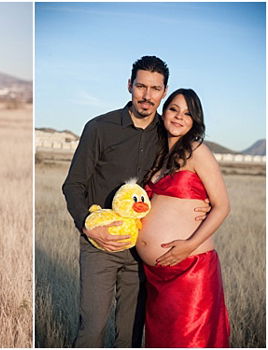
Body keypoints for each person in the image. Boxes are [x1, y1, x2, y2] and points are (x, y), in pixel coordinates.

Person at [62, 56, 210, 347]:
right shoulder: (99, 128)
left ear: (164, 91)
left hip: (140, 254)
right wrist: (87, 227)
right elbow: (73, 185)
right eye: (141, 86)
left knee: (131, 334)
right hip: (99, 246)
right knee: (91, 328)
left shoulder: (167, 135)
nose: (147, 95)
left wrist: (199, 204)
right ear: (129, 86)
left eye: (155, 89)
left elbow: (181, 180)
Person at [138, 88, 230, 347]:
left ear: (195, 121)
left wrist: (188, 245)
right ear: (163, 112)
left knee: (188, 341)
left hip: (190, 271)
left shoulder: (197, 151)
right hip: (157, 276)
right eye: (173, 109)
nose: (179, 117)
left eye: (187, 113)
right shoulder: (160, 157)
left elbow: (222, 206)